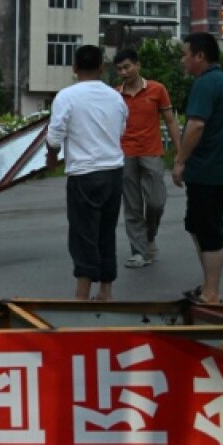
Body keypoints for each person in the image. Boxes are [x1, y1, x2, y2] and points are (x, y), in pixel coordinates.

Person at [46, 45, 128, 301]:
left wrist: (51, 157)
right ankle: (106, 291)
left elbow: (55, 135)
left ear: (74, 68)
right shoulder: (116, 97)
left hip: (84, 174)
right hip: (114, 172)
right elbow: (121, 130)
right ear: (102, 68)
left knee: (83, 234)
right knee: (106, 231)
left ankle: (81, 296)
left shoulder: (67, 96)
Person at [172, 32, 223, 305]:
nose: (183, 60)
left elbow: (196, 125)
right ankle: (207, 287)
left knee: (209, 230)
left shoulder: (205, 84)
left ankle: (212, 293)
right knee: (198, 226)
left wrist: (179, 161)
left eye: (185, 54)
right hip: (221, 170)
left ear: (200, 56)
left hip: (210, 172)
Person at [114, 48, 182, 269]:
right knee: (132, 206)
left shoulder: (157, 89)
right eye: (119, 69)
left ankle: (149, 236)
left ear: (137, 65)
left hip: (151, 151)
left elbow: (171, 121)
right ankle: (139, 252)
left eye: (127, 67)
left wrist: (179, 151)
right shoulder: (115, 94)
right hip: (125, 153)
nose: (123, 72)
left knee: (155, 202)